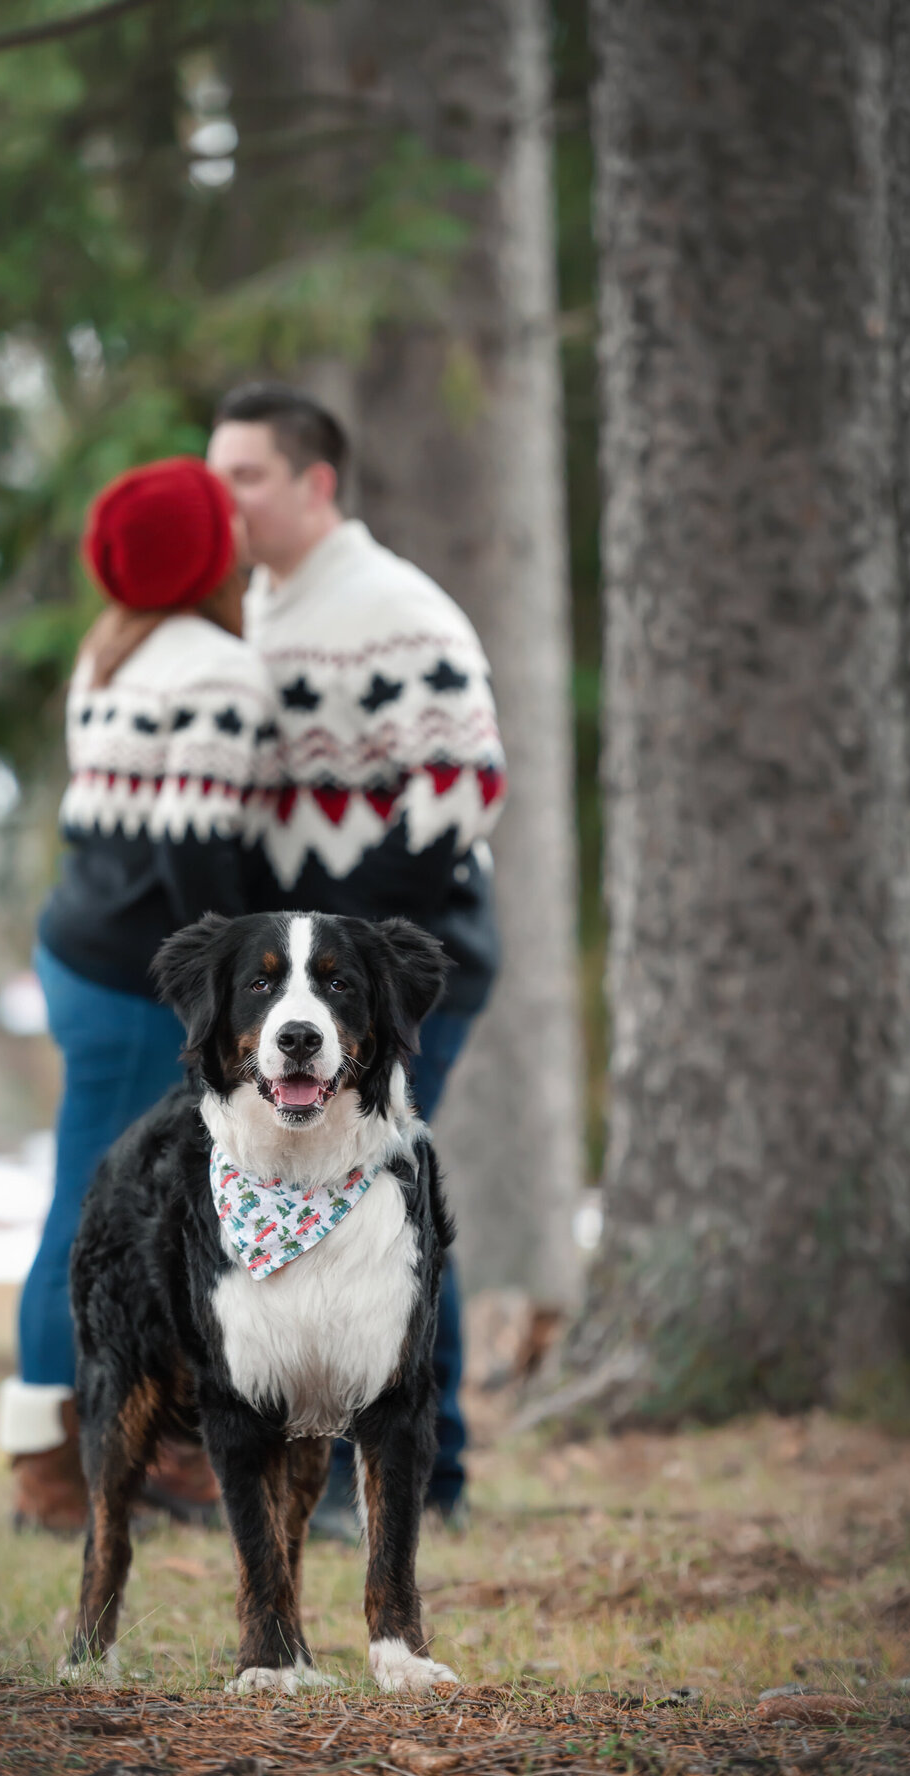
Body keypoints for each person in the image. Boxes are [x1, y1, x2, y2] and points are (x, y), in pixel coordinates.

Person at [210, 382, 507, 1532]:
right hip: (303, 979)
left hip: (403, 961)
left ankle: (427, 1473)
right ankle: (324, 1459)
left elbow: (459, 797)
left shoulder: (398, 613)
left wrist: (337, 956)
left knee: (382, 1183)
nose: (223, 498)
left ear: (314, 482)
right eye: (216, 473)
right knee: (311, 1186)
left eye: (246, 476)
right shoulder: (265, 608)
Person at [0, 456, 278, 1532]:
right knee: (90, 1216)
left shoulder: (113, 649)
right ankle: (50, 1470)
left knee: (146, 1215)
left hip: (82, 949)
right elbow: (197, 859)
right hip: (130, 979)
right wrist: (238, 993)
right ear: (211, 554)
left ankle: (146, 1448)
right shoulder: (214, 668)